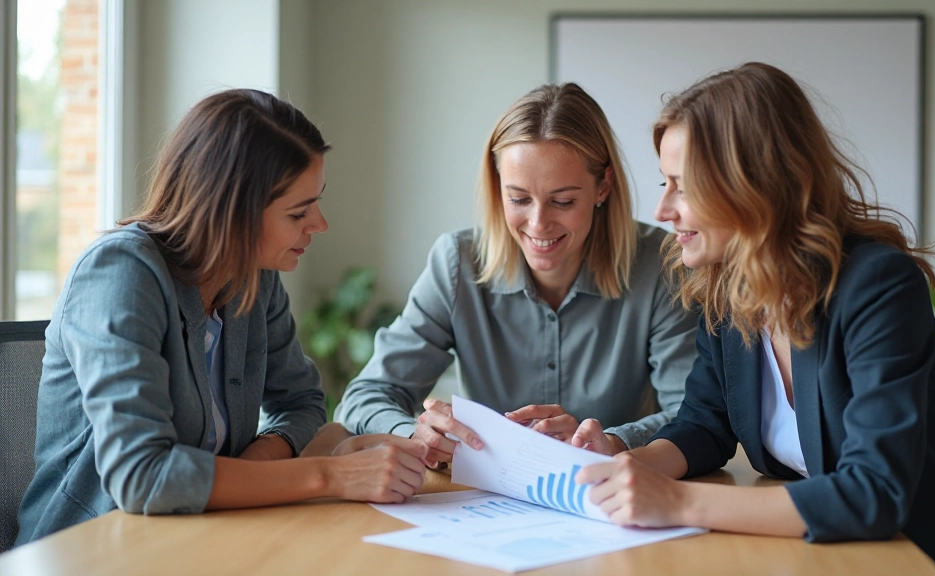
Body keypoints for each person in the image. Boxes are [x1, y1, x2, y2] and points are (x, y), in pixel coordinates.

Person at [574, 62, 935, 575]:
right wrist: (628, 465)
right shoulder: (728, 288)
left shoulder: (878, 285)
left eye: (683, 186)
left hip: (934, 560)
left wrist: (674, 503)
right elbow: (705, 422)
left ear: (752, 184)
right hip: (837, 557)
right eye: (664, 183)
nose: (662, 209)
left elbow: (873, 491)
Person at [16, 89, 428, 546]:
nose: (320, 224)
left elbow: (302, 404)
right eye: (299, 211)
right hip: (93, 552)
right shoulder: (119, 274)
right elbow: (142, 476)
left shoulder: (254, 279)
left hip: (205, 537)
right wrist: (330, 476)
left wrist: (247, 474)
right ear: (232, 212)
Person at [338, 83, 698, 467]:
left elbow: (694, 413)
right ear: (497, 188)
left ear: (603, 186)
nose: (539, 224)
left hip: (612, 496)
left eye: (563, 201)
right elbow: (366, 395)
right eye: (519, 199)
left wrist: (615, 441)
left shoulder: (661, 265)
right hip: (487, 503)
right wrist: (413, 432)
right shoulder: (457, 263)